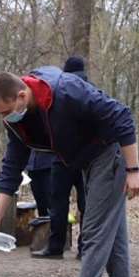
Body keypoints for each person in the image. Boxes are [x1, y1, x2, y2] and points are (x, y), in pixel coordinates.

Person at [0, 66, 139, 277]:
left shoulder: (67, 92)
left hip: (110, 155)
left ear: (21, 96)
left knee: (92, 232)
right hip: (87, 163)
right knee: (114, 239)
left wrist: (133, 169)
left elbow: (122, 115)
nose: (3, 118)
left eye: (5, 111)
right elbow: (11, 168)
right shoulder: (19, 122)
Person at [34, 56, 88, 260]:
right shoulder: (58, 92)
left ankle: (76, 247)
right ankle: (60, 246)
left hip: (80, 159)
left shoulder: (85, 92)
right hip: (64, 158)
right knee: (61, 203)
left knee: (79, 204)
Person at [26, 151, 54, 218]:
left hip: (48, 166)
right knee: (40, 202)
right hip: (32, 167)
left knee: (51, 201)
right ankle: (43, 224)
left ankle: (55, 226)